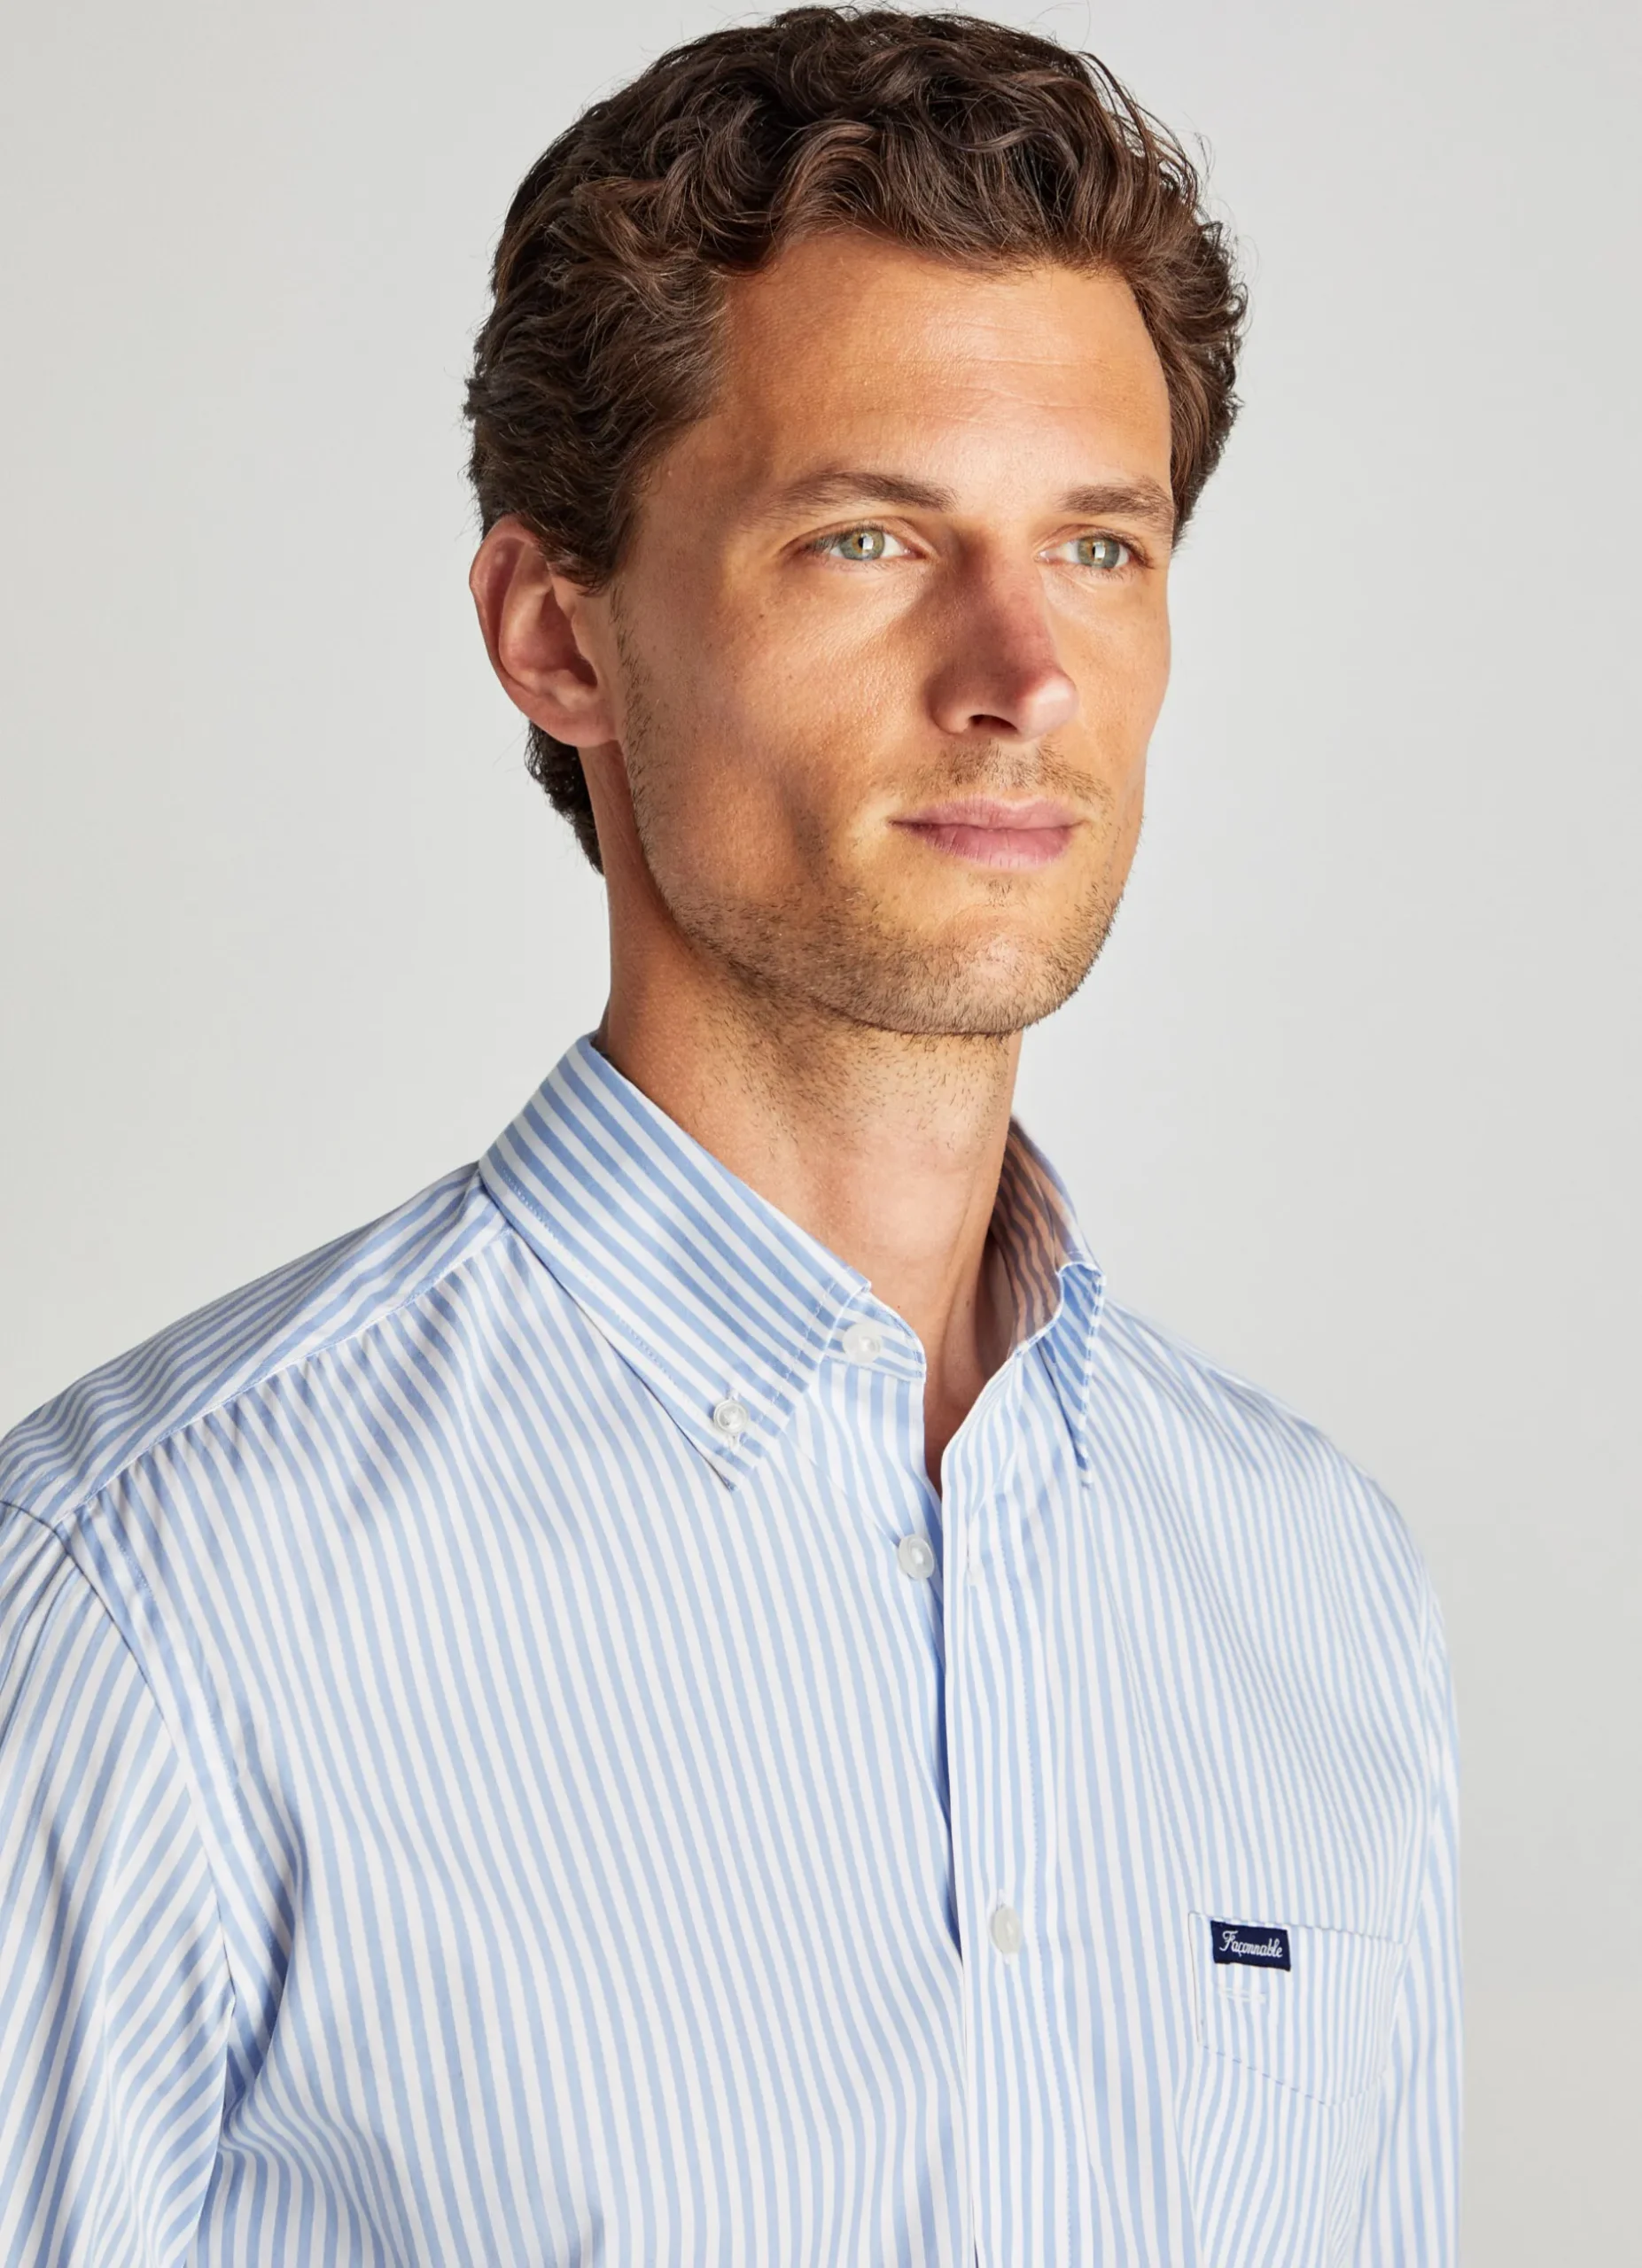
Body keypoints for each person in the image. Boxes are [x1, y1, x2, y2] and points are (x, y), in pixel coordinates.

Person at [0, 9, 1459, 2263]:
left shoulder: (1314, 1589)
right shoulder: (148, 1596)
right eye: (868, 536)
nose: (1020, 675)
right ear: (556, 636)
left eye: (1096, 547)